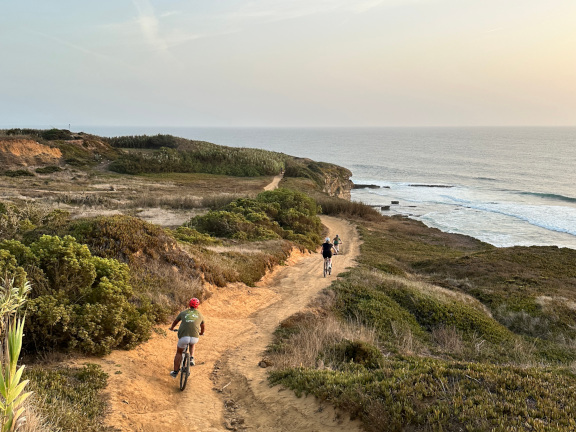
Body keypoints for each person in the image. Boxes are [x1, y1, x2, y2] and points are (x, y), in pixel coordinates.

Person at [169, 297, 205, 378]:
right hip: (195, 338)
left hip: (184, 337)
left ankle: (175, 372)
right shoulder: (200, 315)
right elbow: (203, 326)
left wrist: (172, 328)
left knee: (179, 352)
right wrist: (201, 333)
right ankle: (191, 358)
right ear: (197, 306)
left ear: (189, 304)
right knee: (192, 343)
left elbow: (175, 321)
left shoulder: (183, 313)